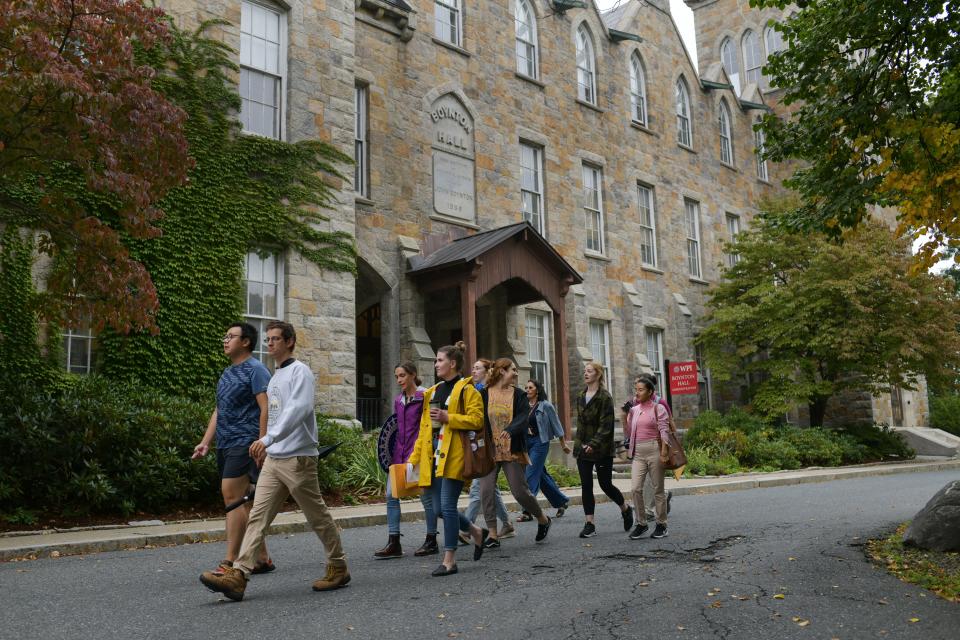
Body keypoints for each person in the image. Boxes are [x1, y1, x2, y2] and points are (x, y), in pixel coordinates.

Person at [199, 321, 350, 601]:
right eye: (268, 339)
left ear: (290, 341)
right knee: (257, 516)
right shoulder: (275, 376)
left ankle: (339, 566)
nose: (270, 344)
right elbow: (273, 413)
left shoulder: (299, 372)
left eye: (276, 339)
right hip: (275, 458)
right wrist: (266, 445)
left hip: (298, 459)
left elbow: (299, 410)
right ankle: (239, 575)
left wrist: (267, 438)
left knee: (317, 517)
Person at [192, 322, 273, 575]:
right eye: (224, 336)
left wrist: (262, 442)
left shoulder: (256, 370)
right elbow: (220, 409)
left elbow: (266, 407)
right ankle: (261, 557)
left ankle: (230, 561)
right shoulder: (227, 373)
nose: (225, 340)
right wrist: (206, 442)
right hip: (225, 443)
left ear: (246, 342)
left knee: (232, 496)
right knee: (245, 503)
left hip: (245, 442)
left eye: (231, 336)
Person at [407, 342, 488, 577]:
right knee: (438, 509)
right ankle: (474, 530)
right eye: (435, 361)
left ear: (452, 363)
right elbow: (424, 429)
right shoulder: (432, 391)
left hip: (453, 454)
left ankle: (450, 559)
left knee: (448, 507)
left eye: (439, 360)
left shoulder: (467, 390)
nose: (436, 364)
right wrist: (414, 458)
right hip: (431, 455)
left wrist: (448, 417)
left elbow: (477, 420)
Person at [478, 359, 552, 548]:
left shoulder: (518, 395)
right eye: (513, 369)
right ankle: (493, 534)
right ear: (502, 371)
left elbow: (523, 417)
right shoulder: (484, 393)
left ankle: (542, 518)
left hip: (511, 449)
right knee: (486, 491)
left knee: (520, 492)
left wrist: (510, 429)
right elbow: (478, 417)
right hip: (490, 450)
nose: (516, 373)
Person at [374, 362, 438, 559]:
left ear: (413, 375)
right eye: (397, 376)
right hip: (399, 454)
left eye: (402, 375)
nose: (399, 380)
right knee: (391, 495)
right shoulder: (398, 400)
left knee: (426, 498)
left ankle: (431, 540)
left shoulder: (425, 396)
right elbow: (395, 429)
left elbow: (430, 426)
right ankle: (394, 542)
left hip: (419, 454)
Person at [574, 361, 633, 538]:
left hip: (601, 449)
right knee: (586, 485)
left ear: (598, 375)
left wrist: (593, 444)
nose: (586, 374)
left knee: (605, 484)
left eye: (589, 371)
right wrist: (582, 445)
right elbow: (581, 424)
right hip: (583, 448)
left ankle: (625, 508)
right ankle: (589, 523)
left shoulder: (605, 397)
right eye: (584, 371)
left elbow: (606, 426)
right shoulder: (580, 395)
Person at [462, 358, 514, 543]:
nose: (473, 371)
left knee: (479, 488)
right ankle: (506, 523)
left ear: (487, 371)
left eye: (477, 368)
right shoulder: (475, 389)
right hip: (478, 443)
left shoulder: (487, 392)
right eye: (473, 367)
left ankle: (467, 527)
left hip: (491, 445)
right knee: (489, 489)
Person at [622, 374, 674, 522]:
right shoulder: (634, 410)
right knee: (636, 489)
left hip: (654, 450)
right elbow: (629, 432)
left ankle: (661, 524)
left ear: (650, 392)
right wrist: (624, 416)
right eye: (636, 390)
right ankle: (641, 523)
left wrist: (664, 452)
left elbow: (664, 431)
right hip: (638, 451)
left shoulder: (659, 408)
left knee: (657, 490)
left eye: (641, 390)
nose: (637, 393)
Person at [519, 379, 571, 521]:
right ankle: (561, 501)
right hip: (526, 443)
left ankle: (527, 510)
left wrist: (563, 444)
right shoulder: (523, 405)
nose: (527, 390)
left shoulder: (545, 406)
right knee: (540, 476)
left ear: (537, 390)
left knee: (530, 473)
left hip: (540, 442)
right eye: (526, 387)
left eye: (530, 387)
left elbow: (556, 425)